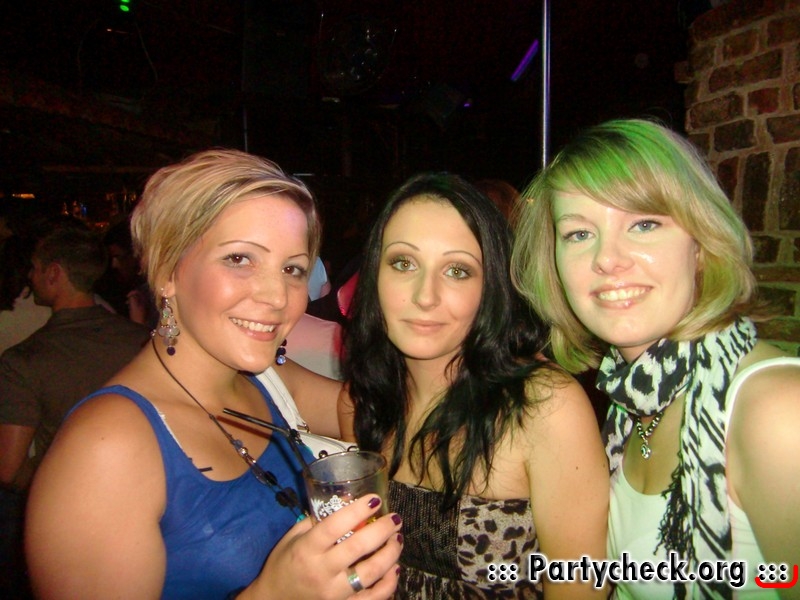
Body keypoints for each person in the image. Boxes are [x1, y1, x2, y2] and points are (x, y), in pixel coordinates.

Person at [25, 149, 403, 600]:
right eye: (239, 259)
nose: (277, 296)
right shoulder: (105, 448)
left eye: (292, 269)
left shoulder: (266, 379)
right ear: (167, 272)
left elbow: (377, 412)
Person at [511, 118, 800, 599]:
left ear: (701, 245)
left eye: (644, 224)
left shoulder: (776, 411)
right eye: (578, 234)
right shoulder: (633, 398)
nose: (607, 259)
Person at [338, 172, 608, 599]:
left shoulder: (544, 408)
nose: (425, 296)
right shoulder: (361, 402)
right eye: (404, 263)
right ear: (373, 274)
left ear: (490, 288)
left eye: (457, 270)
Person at [0, 217, 150, 597]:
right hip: (148, 499)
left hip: (71, 519)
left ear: (54, 274)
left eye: (35, 268)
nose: (30, 276)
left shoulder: (24, 360)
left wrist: (55, 484)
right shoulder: (141, 341)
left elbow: (9, 469)